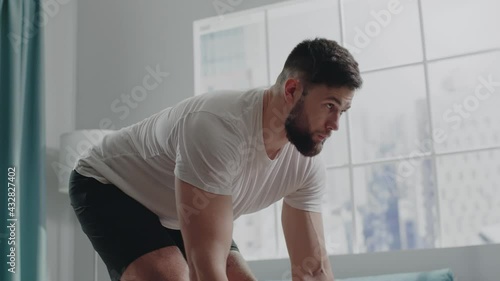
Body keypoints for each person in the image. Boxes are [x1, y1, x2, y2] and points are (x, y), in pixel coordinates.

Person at [69, 37, 362, 281]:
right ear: (292, 90)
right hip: (110, 185)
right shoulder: (217, 127)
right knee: (171, 276)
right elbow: (205, 271)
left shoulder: (306, 165)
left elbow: (313, 272)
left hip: (181, 206)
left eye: (342, 111)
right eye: (329, 106)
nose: (335, 124)